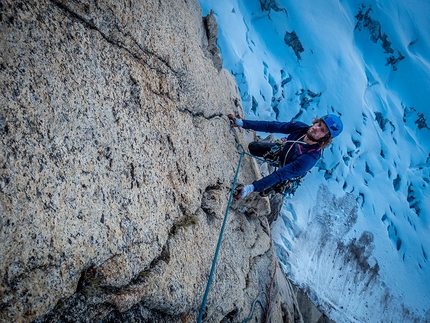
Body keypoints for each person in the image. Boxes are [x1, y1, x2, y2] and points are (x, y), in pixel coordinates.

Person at [227, 113, 343, 199]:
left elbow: (280, 175)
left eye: (322, 130)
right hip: (282, 153)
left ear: (325, 139)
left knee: (263, 193)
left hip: (287, 174)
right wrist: (242, 123)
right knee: (253, 147)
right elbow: (271, 126)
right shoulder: (301, 128)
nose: (316, 128)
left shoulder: (309, 158)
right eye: (318, 124)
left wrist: (250, 188)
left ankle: (271, 191)